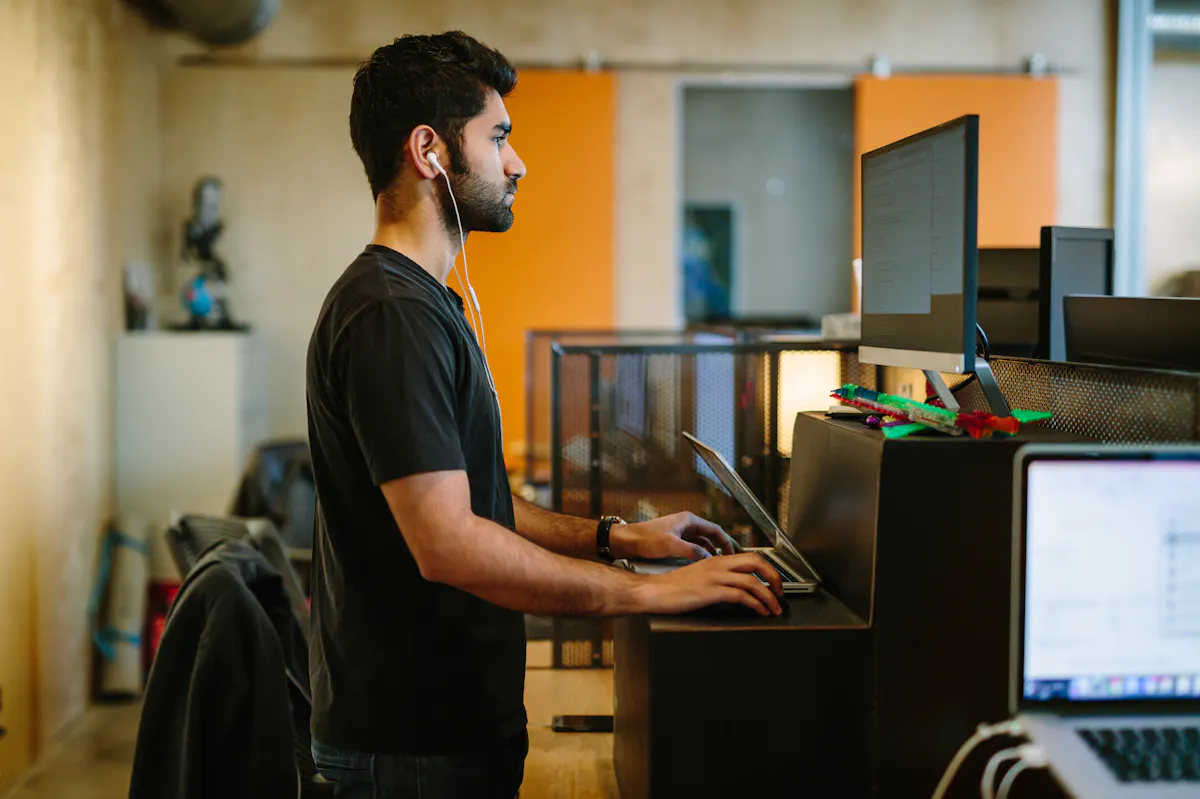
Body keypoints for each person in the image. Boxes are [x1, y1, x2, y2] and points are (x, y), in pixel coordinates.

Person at [305, 31, 784, 799]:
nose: (516, 162)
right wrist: (641, 592)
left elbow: (477, 503)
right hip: (410, 749)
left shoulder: (422, 304)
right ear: (429, 151)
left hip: (445, 732)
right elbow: (450, 546)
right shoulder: (390, 314)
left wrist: (617, 538)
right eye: (497, 137)